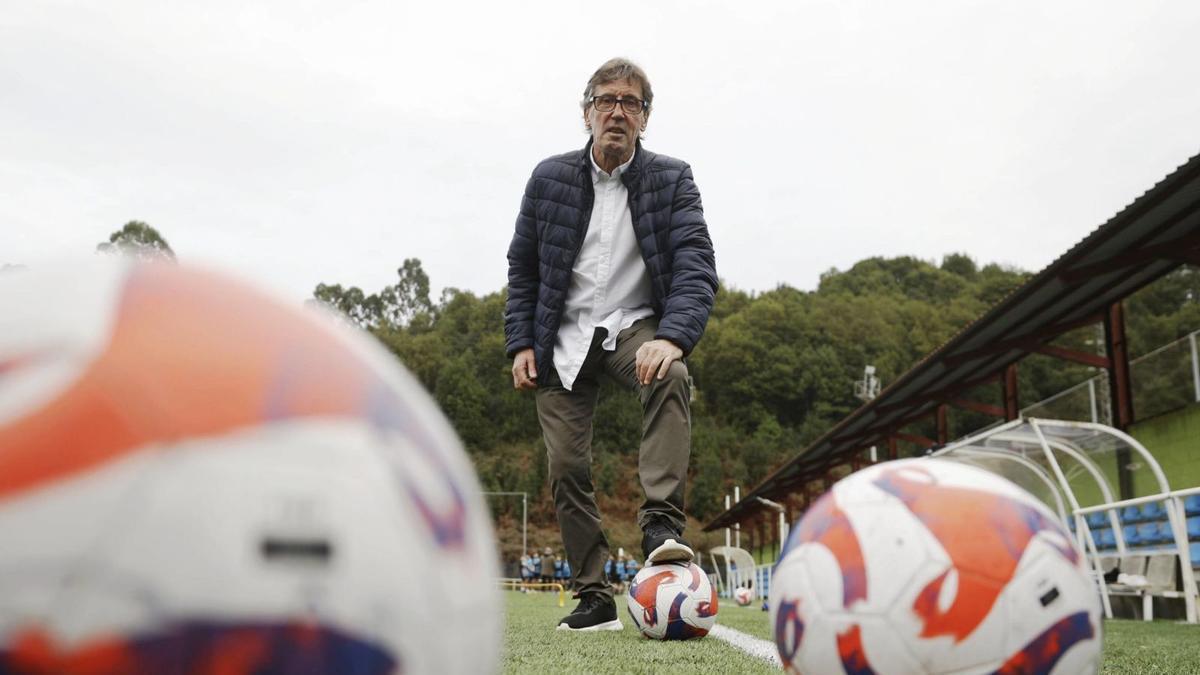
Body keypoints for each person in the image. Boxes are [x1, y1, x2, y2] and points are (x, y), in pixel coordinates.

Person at [505, 57, 718, 632]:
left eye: (631, 103)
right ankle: (594, 596)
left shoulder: (672, 179)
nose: (617, 111)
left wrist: (673, 337)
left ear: (645, 119)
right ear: (587, 112)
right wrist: (520, 341)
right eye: (606, 100)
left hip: (632, 329)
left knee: (671, 376)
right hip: (560, 335)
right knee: (567, 465)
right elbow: (522, 267)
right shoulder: (548, 178)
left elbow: (697, 265)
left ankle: (661, 529)